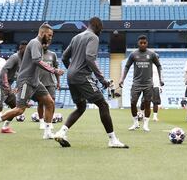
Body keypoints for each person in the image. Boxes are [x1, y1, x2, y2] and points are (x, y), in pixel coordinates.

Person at [54, 17, 128, 148]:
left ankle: (61, 132)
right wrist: (102, 79)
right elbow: (89, 58)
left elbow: (64, 57)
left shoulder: (76, 37)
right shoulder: (93, 37)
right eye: (101, 29)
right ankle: (112, 140)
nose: (101, 32)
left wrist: (71, 69)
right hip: (82, 76)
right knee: (103, 105)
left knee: (81, 107)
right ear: (98, 26)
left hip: (71, 76)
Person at [0, 24, 64, 140]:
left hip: (35, 81)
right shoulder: (35, 43)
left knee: (50, 103)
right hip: (26, 81)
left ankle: (47, 132)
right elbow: (37, 61)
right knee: (20, 109)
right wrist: (54, 70)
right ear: (42, 33)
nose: (51, 38)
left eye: (52, 35)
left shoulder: (39, 44)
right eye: (50, 35)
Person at [119, 35, 164, 132]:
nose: (143, 44)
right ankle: (135, 123)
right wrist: (122, 79)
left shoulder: (152, 54)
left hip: (148, 84)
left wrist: (161, 79)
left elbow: (159, 66)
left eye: (144, 43)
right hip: (136, 83)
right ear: (138, 43)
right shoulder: (133, 54)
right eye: (141, 43)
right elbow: (127, 67)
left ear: (147, 43)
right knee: (133, 103)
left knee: (147, 104)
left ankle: (146, 125)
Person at [35, 42, 60, 130]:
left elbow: (56, 69)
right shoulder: (37, 55)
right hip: (39, 82)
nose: (45, 45)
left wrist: (58, 82)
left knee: (52, 102)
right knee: (40, 103)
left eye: (46, 44)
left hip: (51, 82)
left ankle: (49, 121)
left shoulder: (53, 54)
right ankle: (41, 121)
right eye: (43, 44)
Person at [140, 53, 162, 122]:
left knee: (155, 102)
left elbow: (161, 78)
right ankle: (141, 113)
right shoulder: (146, 66)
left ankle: (155, 116)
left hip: (156, 85)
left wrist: (160, 86)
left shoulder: (159, 67)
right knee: (144, 101)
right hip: (147, 85)